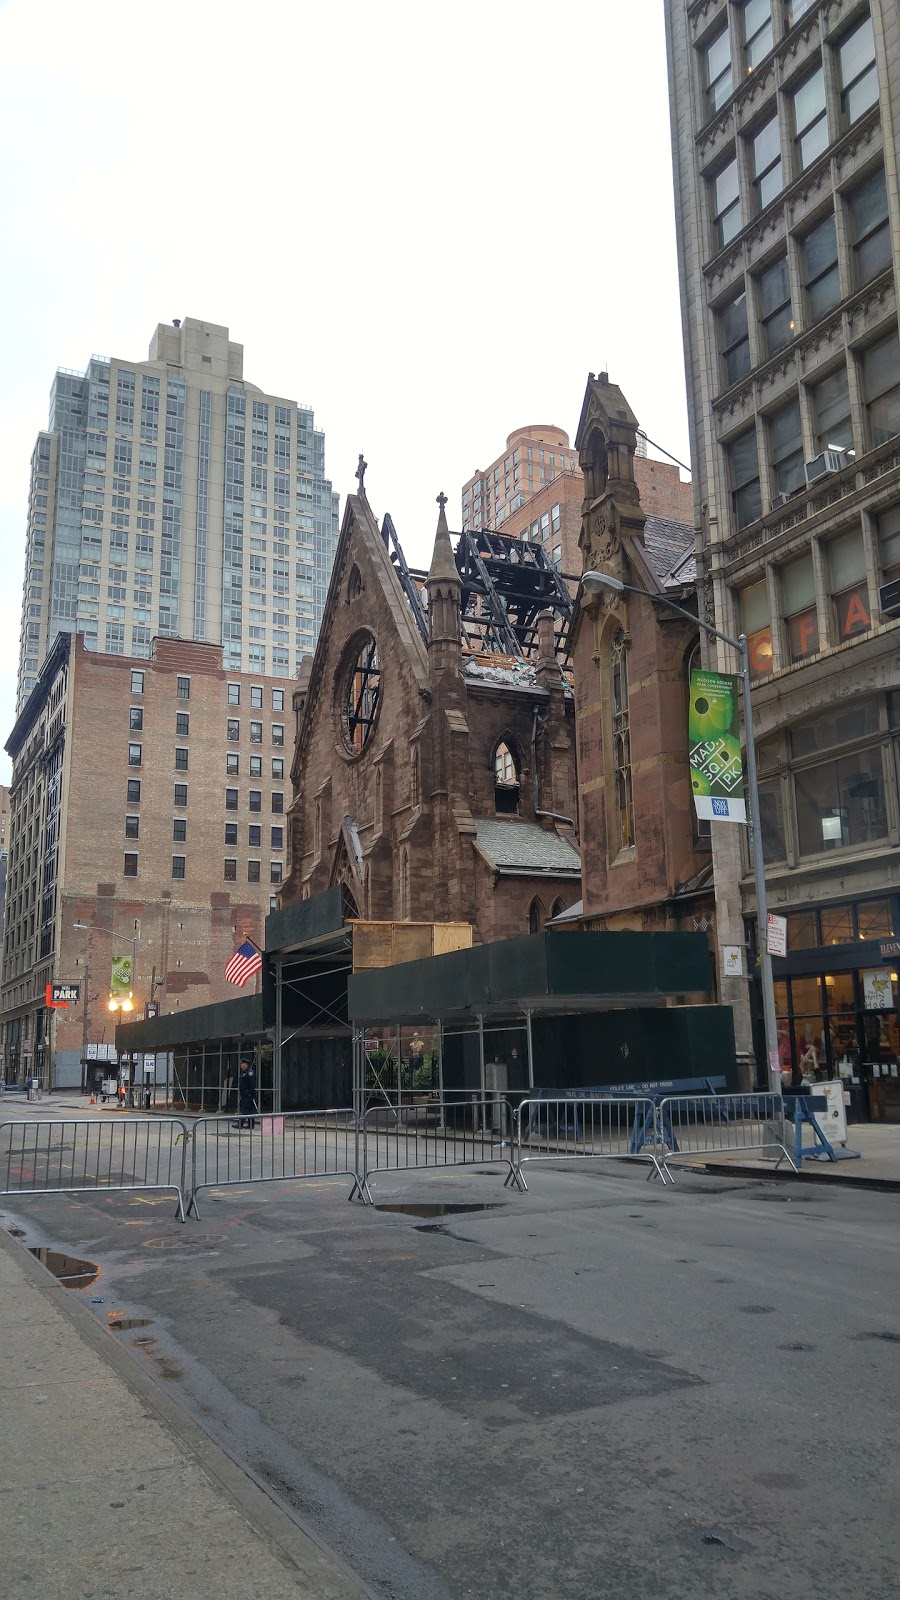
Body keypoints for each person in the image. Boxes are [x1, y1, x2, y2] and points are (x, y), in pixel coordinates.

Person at [234, 1059, 257, 1129]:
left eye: (242, 1063)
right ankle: (251, 1124)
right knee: (249, 1110)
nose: (240, 1065)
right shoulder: (244, 1072)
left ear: (246, 1064)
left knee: (245, 1109)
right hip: (244, 1094)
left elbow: (252, 1084)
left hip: (248, 1094)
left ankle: (240, 1124)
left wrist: (250, 1092)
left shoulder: (250, 1073)